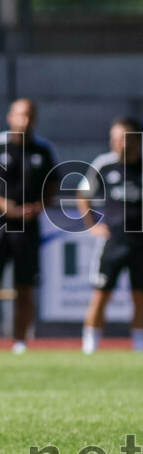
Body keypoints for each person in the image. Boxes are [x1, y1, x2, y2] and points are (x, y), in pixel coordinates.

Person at [0, 98, 57, 355]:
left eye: (30, 115)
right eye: (21, 115)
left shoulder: (43, 149)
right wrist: (3, 205)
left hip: (28, 227)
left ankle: (20, 342)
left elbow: (52, 186)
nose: (26, 120)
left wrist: (38, 207)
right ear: (10, 117)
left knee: (25, 286)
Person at [78, 116, 143, 354]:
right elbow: (82, 194)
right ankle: (90, 346)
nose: (117, 144)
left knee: (140, 298)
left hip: (140, 242)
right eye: (113, 139)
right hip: (113, 242)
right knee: (101, 294)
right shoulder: (105, 164)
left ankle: (139, 347)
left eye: (122, 138)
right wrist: (92, 225)